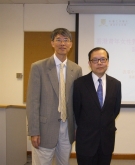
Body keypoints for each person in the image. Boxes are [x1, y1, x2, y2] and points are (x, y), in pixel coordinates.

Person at [26, 28, 82, 165]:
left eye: (66, 40)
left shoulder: (76, 69)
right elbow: (33, 101)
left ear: (71, 44)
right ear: (52, 43)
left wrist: (76, 127)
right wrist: (34, 131)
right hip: (44, 129)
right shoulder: (38, 67)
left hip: (67, 129)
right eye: (58, 40)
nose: (62, 43)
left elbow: (77, 102)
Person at [73, 47, 122, 165]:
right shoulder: (79, 83)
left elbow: (115, 110)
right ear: (89, 63)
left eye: (102, 59)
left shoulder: (116, 84)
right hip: (86, 140)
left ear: (108, 62)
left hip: (107, 140)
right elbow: (76, 110)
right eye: (95, 60)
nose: (99, 63)